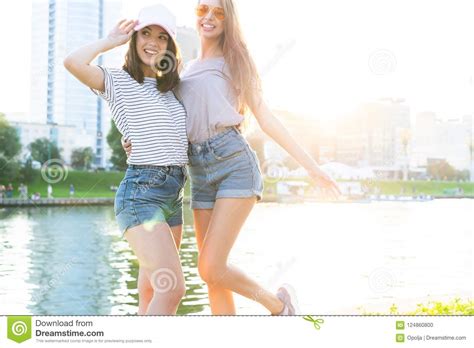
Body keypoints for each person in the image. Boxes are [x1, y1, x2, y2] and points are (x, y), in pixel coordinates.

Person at [124, 0, 341, 315]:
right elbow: (167, 123)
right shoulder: (182, 71)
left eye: (218, 12)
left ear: (228, 21)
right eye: (203, 10)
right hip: (199, 172)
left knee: (210, 267)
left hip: (234, 163)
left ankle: (278, 306)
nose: (209, 17)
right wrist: (134, 142)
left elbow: (265, 117)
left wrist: (311, 166)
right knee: (214, 276)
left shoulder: (236, 61)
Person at [64, 4, 188, 315]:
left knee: (150, 289)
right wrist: (110, 40)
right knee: (171, 288)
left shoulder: (172, 90)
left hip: (173, 193)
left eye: (162, 37)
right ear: (133, 38)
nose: (153, 42)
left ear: (170, 47)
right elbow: (72, 62)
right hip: (141, 194)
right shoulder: (117, 81)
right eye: (145, 33)